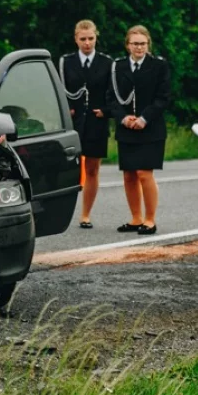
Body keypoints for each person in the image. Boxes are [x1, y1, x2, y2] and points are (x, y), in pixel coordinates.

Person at [106, 25, 171, 235]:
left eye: (142, 43)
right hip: (127, 127)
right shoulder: (117, 67)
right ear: (128, 45)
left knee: (145, 173)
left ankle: (150, 219)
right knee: (129, 175)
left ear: (148, 44)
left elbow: (163, 97)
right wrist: (123, 117)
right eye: (135, 44)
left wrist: (144, 118)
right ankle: (136, 218)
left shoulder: (158, 66)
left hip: (150, 128)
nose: (139, 48)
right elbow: (111, 98)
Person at [59, 19, 113, 228]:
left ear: (96, 37)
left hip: (96, 122)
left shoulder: (107, 62)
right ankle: (62, 213)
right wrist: (67, 110)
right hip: (73, 121)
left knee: (91, 169)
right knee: (68, 168)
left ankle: (85, 214)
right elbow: (61, 89)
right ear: (76, 39)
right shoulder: (66, 61)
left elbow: (113, 92)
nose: (87, 43)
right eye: (83, 39)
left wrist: (106, 112)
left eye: (91, 38)